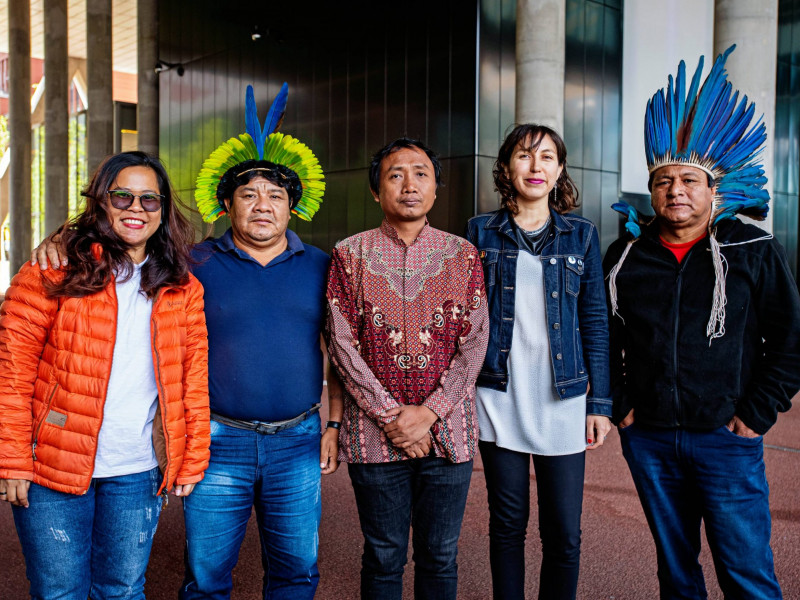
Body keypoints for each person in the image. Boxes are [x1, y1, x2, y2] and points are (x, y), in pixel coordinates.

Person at [31, 85, 343, 600]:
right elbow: (124, 243)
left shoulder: (324, 267)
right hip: (218, 441)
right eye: (248, 194)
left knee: (297, 570)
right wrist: (64, 235)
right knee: (207, 575)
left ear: (294, 206)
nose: (262, 206)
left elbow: (340, 353)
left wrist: (332, 423)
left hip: (298, 440)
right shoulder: (188, 265)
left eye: (275, 196)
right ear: (226, 204)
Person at [604, 45, 800, 599]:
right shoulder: (624, 257)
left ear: (714, 190)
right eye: (665, 181)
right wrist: (621, 404)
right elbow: (607, 337)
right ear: (652, 190)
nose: (676, 191)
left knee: (747, 573)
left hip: (726, 437)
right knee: (676, 574)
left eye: (689, 181)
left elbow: (790, 340)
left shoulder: (754, 249)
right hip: (651, 439)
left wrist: (755, 414)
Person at [0, 151, 210, 600]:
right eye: (123, 196)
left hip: (136, 469)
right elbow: (11, 374)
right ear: (102, 202)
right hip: (50, 465)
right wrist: (13, 459)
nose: (136, 208)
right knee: (59, 592)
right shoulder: (51, 270)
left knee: (123, 590)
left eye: (149, 199)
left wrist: (190, 456)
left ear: (164, 208)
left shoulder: (182, 286)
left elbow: (192, 378)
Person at [325, 138, 490, 600]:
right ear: (377, 191)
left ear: (436, 189)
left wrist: (430, 413)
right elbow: (340, 341)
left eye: (421, 173)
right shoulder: (349, 254)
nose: (409, 184)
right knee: (383, 554)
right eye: (396, 174)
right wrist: (392, 417)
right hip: (375, 436)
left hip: (448, 432)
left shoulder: (463, 255)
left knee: (440, 555)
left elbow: (475, 340)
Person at [465, 124, 611, 600]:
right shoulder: (478, 232)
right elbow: (464, 319)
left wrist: (600, 404)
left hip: (564, 396)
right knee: (507, 525)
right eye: (525, 156)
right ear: (507, 166)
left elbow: (594, 322)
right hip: (498, 394)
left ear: (559, 170)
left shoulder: (582, 236)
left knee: (564, 531)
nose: (536, 166)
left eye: (547, 157)